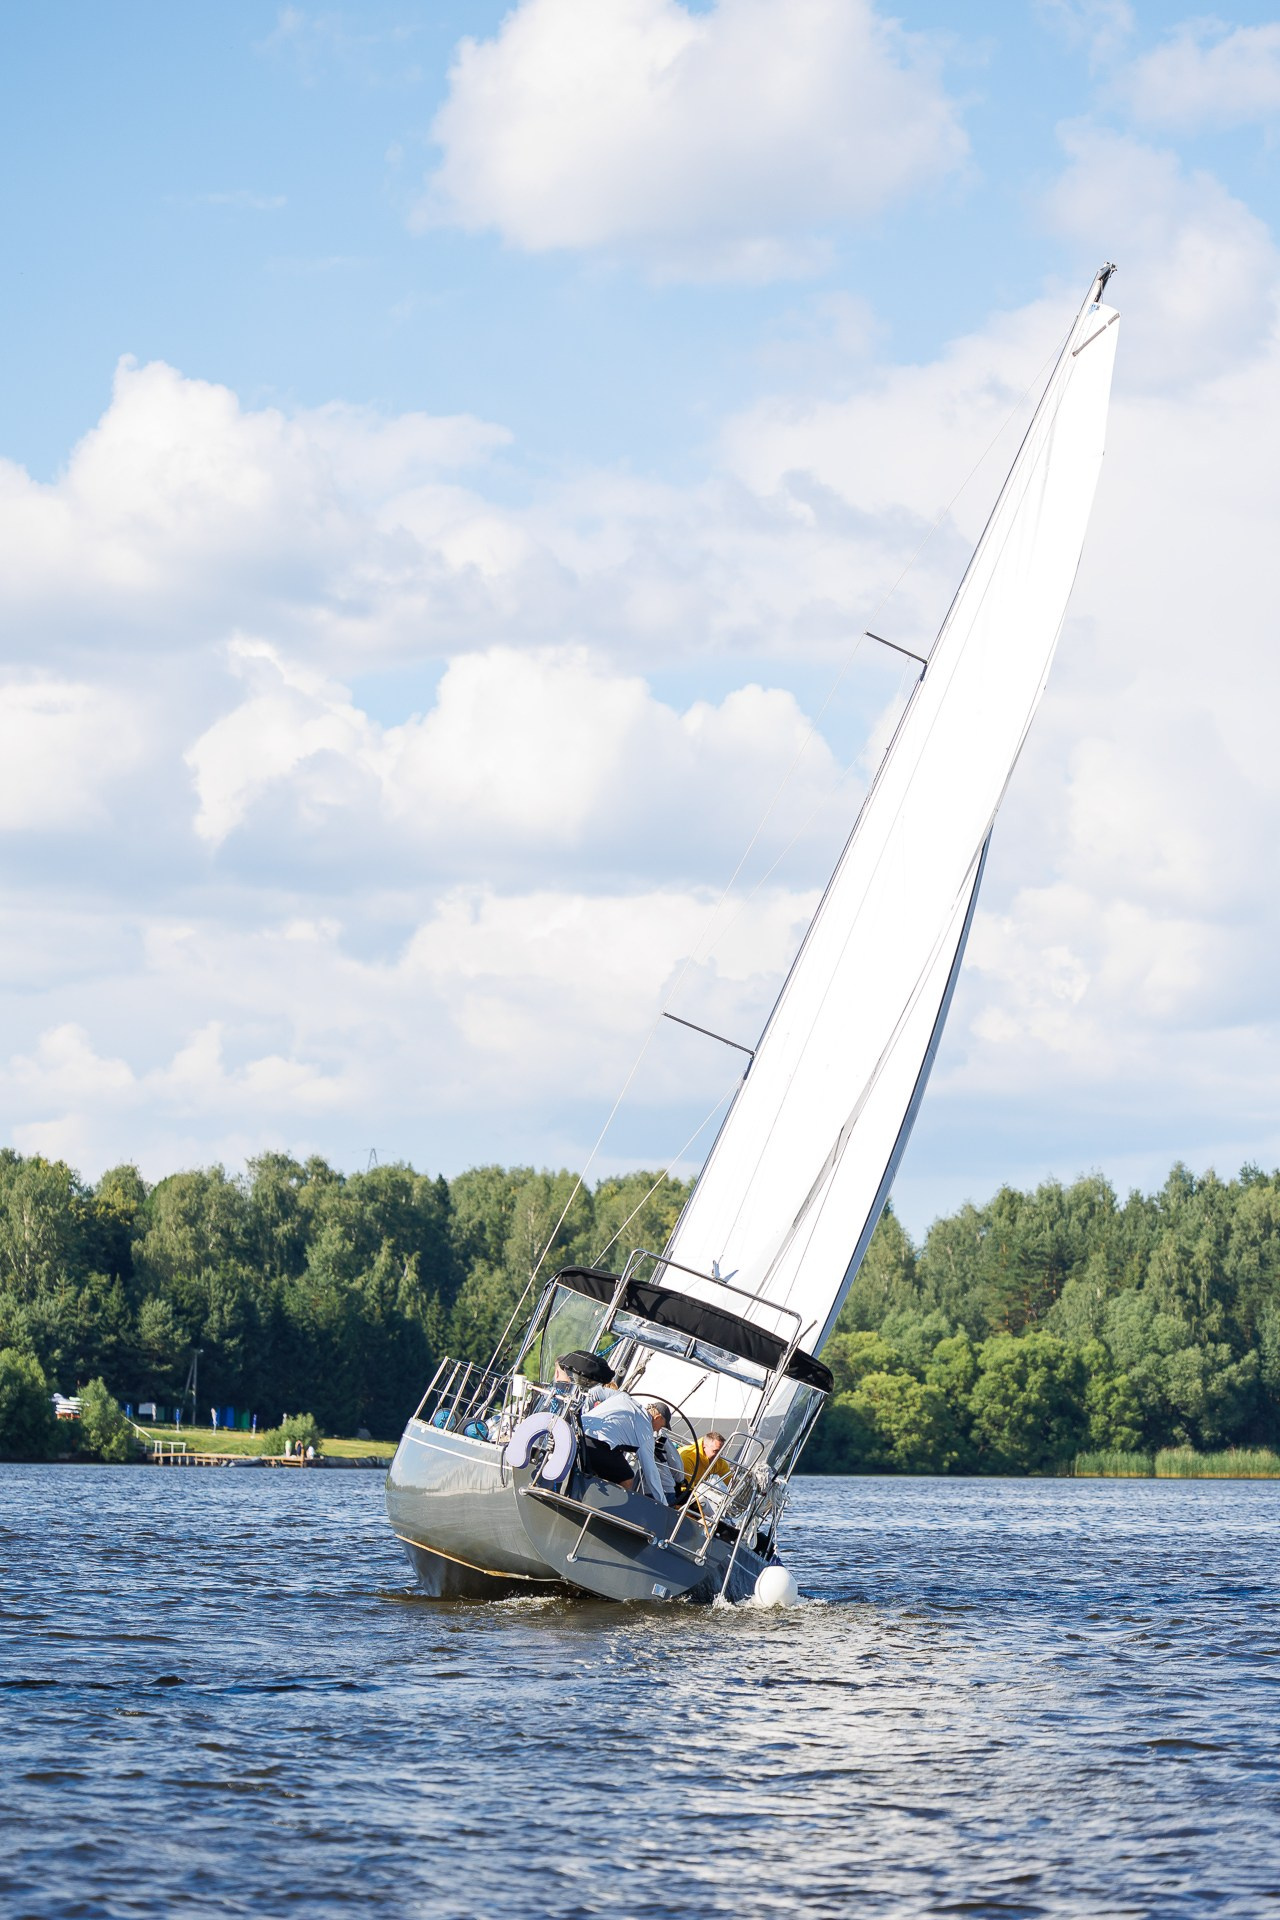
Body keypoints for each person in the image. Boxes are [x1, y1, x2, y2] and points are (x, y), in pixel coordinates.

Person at [554, 1352, 664, 1502]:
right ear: (657, 1418)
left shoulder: (624, 1397)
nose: (657, 1431)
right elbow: (651, 1474)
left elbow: (596, 1392)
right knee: (627, 1479)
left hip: (577, 1433)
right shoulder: (646, 1433)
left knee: (612, 1462)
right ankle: (610, 1509)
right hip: (594, 1444)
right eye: (659, 1427)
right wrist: (663, 1503)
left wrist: (584, 1412)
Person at [645, 1402, 685, 1504]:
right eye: (662, 1425)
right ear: (658, 1418)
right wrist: (680, 1480)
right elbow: (677, 1467)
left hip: (641, 1488)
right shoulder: (661, 1435)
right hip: (663, 1489)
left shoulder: (637, 1428)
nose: (660, 1429)